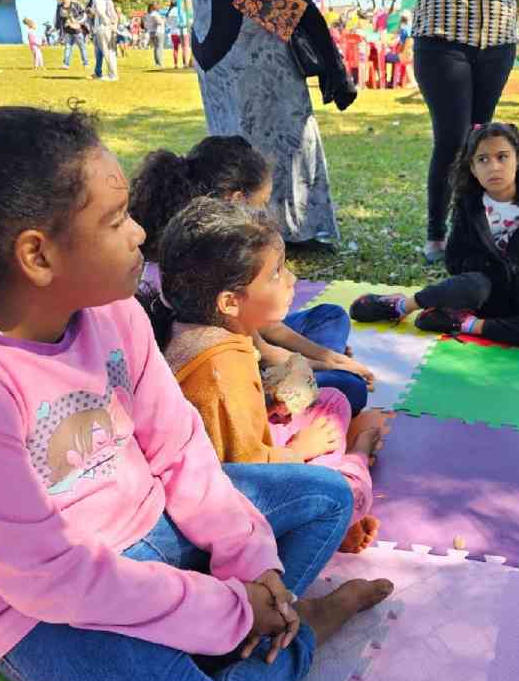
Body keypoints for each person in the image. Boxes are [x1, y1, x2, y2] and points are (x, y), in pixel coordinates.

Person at [0, 103, 393, 681]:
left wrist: (252, 563)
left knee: (327, 496)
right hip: (33, 607)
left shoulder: (112, 311)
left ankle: (264, 619)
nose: (141, 234)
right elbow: (54, 579)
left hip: (151, 527)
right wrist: (231, 613)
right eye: (117, 220)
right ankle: (297, 630)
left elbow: (181, 451)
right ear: (38, 254)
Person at [142, 197, 385, 553]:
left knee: (331, 400)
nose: (291, 279)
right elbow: (247, 475)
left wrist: (272, 402)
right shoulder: (221, 367)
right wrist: (300, 451)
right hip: (233, 507)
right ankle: (356, 464)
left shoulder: (209, 326)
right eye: (276, 273)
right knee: (347, 495)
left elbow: (238, 423)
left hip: (245, 460)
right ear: (229, 301)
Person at [130, 135, 374, 414]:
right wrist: (328, 362)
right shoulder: (210, 255)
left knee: (330, 315)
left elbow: (264, 329)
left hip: (243, 343)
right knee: (348, 387)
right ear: (237, 200)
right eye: (263, 201)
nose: (265, 211)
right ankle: (299, 385)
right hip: (226, 370)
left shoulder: (206, 240)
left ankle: (318, 365)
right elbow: (262, 347)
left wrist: (324, 356)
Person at [166, 0, 342, 247]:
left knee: (294, 128)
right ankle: (245, 232)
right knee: (243, 139)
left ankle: (300, 229)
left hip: (273, 19)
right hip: (226, 35)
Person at [350, 122, 519, 348]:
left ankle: (464, 323)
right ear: (473, 168)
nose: (494, 167)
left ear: (518, 158)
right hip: (478, 290)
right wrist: (486, 273)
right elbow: (454, 258)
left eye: (502, 157)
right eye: (483, 159)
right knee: (473, 285)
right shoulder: (468, 203)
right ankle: (401, 305)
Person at [412, 0, 519, 263]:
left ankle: (469, 230)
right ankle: (436, 233)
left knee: (479, 141)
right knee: (453, 139)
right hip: (443, 39)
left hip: (497, 44)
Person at [87, 0, 119, 82]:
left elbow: (101, 12)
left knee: (108, 52)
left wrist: (107, 23)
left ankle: (112, 75)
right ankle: (108, 74)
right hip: (105, 26)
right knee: (108, 51)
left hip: (103, 27)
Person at [55, 0, 89, 69]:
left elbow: (83, 15)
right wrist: (58, 28)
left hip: (77, 31)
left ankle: (86, 63)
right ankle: (66, 64)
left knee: (82, 47)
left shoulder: (75, 4)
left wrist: (77, 22)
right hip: (67, 31)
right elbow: (58, 18)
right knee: (67, 47)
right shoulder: (59, 6)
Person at [166, 0, 191, 68]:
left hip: (173, 33)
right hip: (182, 32)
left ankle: (175, 64)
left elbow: (168, 24)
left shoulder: (169, 12)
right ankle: (185, 64)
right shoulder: (181, 11)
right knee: (185, 48)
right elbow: (186, 22)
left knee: (175, 48)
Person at [144, 2, 166, 68]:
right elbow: (159, 22)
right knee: (159, 48)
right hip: (158, 32)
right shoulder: (155, 14)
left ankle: (157, 63)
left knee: (156, 48)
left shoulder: (148, 14)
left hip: (151, 32)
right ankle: (159, 63)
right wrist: (163, 20)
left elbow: (146, 24)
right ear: (153, 7)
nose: (158, 7)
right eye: (157, 6)